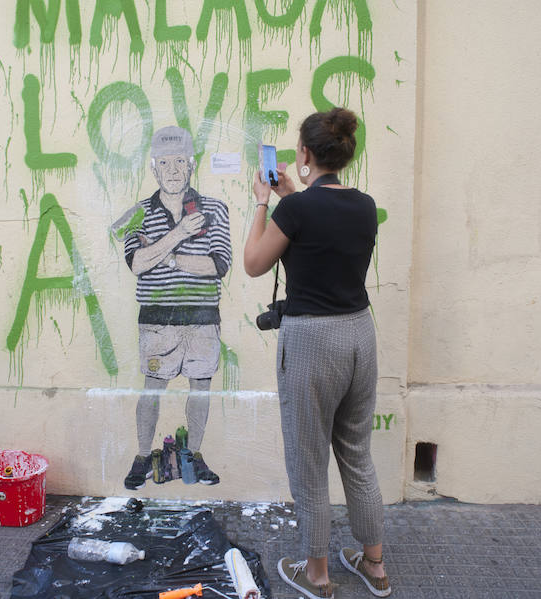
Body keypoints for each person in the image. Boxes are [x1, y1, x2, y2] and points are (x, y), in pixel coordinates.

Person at [244, 108, 390, 599]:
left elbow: (253, 263)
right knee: (357, 455)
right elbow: (319, 223)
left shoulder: (295, 211)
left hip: (312, 342)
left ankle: (318, 575)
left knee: (309, 460)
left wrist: (263, 202)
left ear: (305, 154)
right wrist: (290, 194)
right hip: (359, 336)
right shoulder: (364, 205)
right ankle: (374, 566)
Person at [117, 126, 232, 490]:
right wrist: (180, 233)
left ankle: (194, 456)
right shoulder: (135, 214)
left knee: (201, 387)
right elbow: (136, 262)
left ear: (191, 165)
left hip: (202, 319)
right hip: (157, 320)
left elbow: (217, 265)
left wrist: (166, 258)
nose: (172, 170)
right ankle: (140, 455)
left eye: (179, 161)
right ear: (153, 168)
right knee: (152, 388)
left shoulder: (215, 209)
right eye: (164, 163)